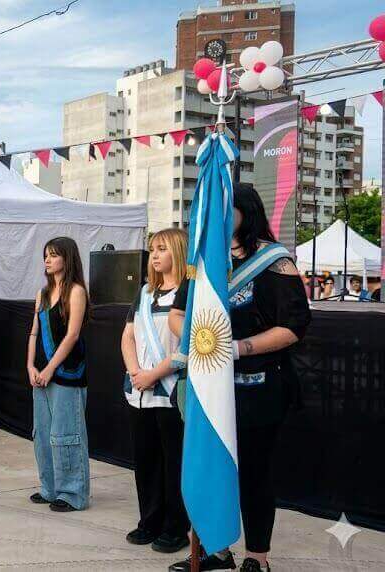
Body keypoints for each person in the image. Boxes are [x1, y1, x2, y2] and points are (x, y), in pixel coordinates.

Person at [168, 184, 311, 572]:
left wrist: (236, 348)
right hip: (210, 389)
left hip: (259, 389)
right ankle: (216, 550)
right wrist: (200, 340)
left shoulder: (274, 261)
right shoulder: (205, 259)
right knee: (211, 469)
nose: (215, 214)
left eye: (224, 207)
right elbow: (177, 314)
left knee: (253, 474)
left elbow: (294, 326)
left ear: (246, 210)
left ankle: (257, 557)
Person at [120, 228, 190, 553]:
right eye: (153, 249)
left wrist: (153, 374)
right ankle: (149, 520)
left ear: (178, 250)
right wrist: (136, 372)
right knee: (146, 460)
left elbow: (189, 346)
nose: (155, 255)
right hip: (139, 390)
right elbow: (128, 335)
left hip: (172, 391)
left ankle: (175, 528)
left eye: (162, 248)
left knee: (173, 462)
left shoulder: (188, 293)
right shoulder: (145, 292)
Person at [26, 236, 90, 513]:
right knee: (42, 434)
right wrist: (30, 366)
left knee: (66, 434)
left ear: (67, 258)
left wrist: (51, 368)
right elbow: (33, 332)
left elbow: (73, 335)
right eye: (46, 255)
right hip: (40, 374)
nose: (47, 260)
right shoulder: (42, 293)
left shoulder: (76, 291)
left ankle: (72, 493)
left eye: (53, 255)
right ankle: (49, 488)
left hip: (67, 373)